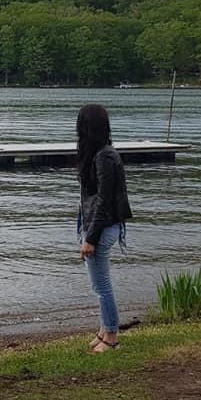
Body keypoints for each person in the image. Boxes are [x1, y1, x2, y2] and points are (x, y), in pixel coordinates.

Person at [76, 104, 132, 354]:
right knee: (98, 284)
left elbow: (104, 200)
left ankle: (111, 336)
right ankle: (103, 329)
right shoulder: (99, 154)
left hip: (102, 228)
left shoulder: (105, 157)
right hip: (98, 227)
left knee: (102, 285)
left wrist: (91, 238)